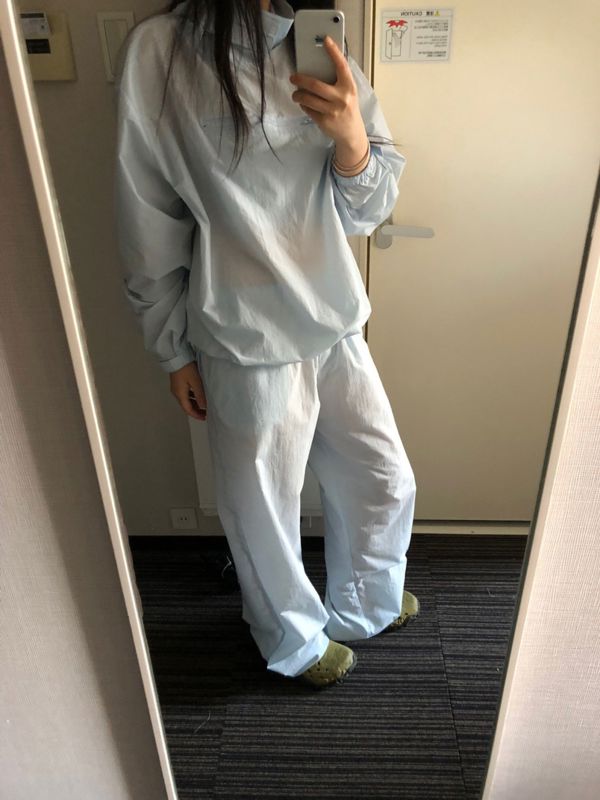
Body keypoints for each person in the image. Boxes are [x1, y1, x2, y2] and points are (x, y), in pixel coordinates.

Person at [114, 0, 419, 689]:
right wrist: (172, 349)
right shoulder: (160, 52)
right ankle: (293, 640)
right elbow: (146, 216)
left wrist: (352, 141)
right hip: (241, 328)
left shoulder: (317, 42)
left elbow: (368, 211)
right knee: (263, 509)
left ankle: (365, 599)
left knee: (383, 477)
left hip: (334, 319)